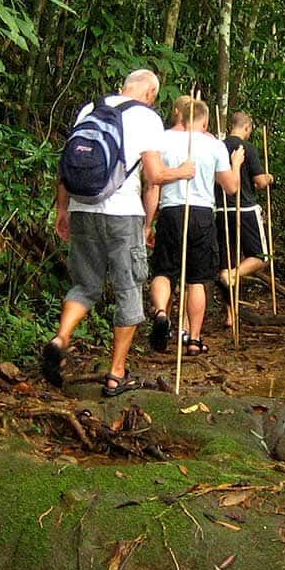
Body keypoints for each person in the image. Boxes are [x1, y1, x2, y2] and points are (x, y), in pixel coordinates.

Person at [41, 69, 196, 395]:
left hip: (83, 209)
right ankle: (116, 374)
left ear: (124, 86)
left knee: (85, 285)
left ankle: (60, 338)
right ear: (151, 93)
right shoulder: (147, 118)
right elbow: (154, 176)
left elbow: (66, 165)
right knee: (127, 290)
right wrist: (181, 172)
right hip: (122, 215)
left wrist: (62, 210)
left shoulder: (90, 109)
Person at [145, 97, 242, 356]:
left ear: (180, 116)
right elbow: (231, 187)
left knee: (164, 271)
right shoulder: (213, 145)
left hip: (171, 211)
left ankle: (162, 312)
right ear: (205, 121)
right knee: (197, 280)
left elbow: (153, 184)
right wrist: (237, 164)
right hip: (201, 214)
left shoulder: (162, 139)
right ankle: (194, 339)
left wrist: (147, 223)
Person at [216, 111, 273, 326]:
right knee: (261, 257)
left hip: (221, 210)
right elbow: (259, 182)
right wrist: (268, 178)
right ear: (247, 127)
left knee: (225, 262)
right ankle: (235, 273)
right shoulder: (247, 148)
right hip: (246, 209)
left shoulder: (218, 146)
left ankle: (231, 315)